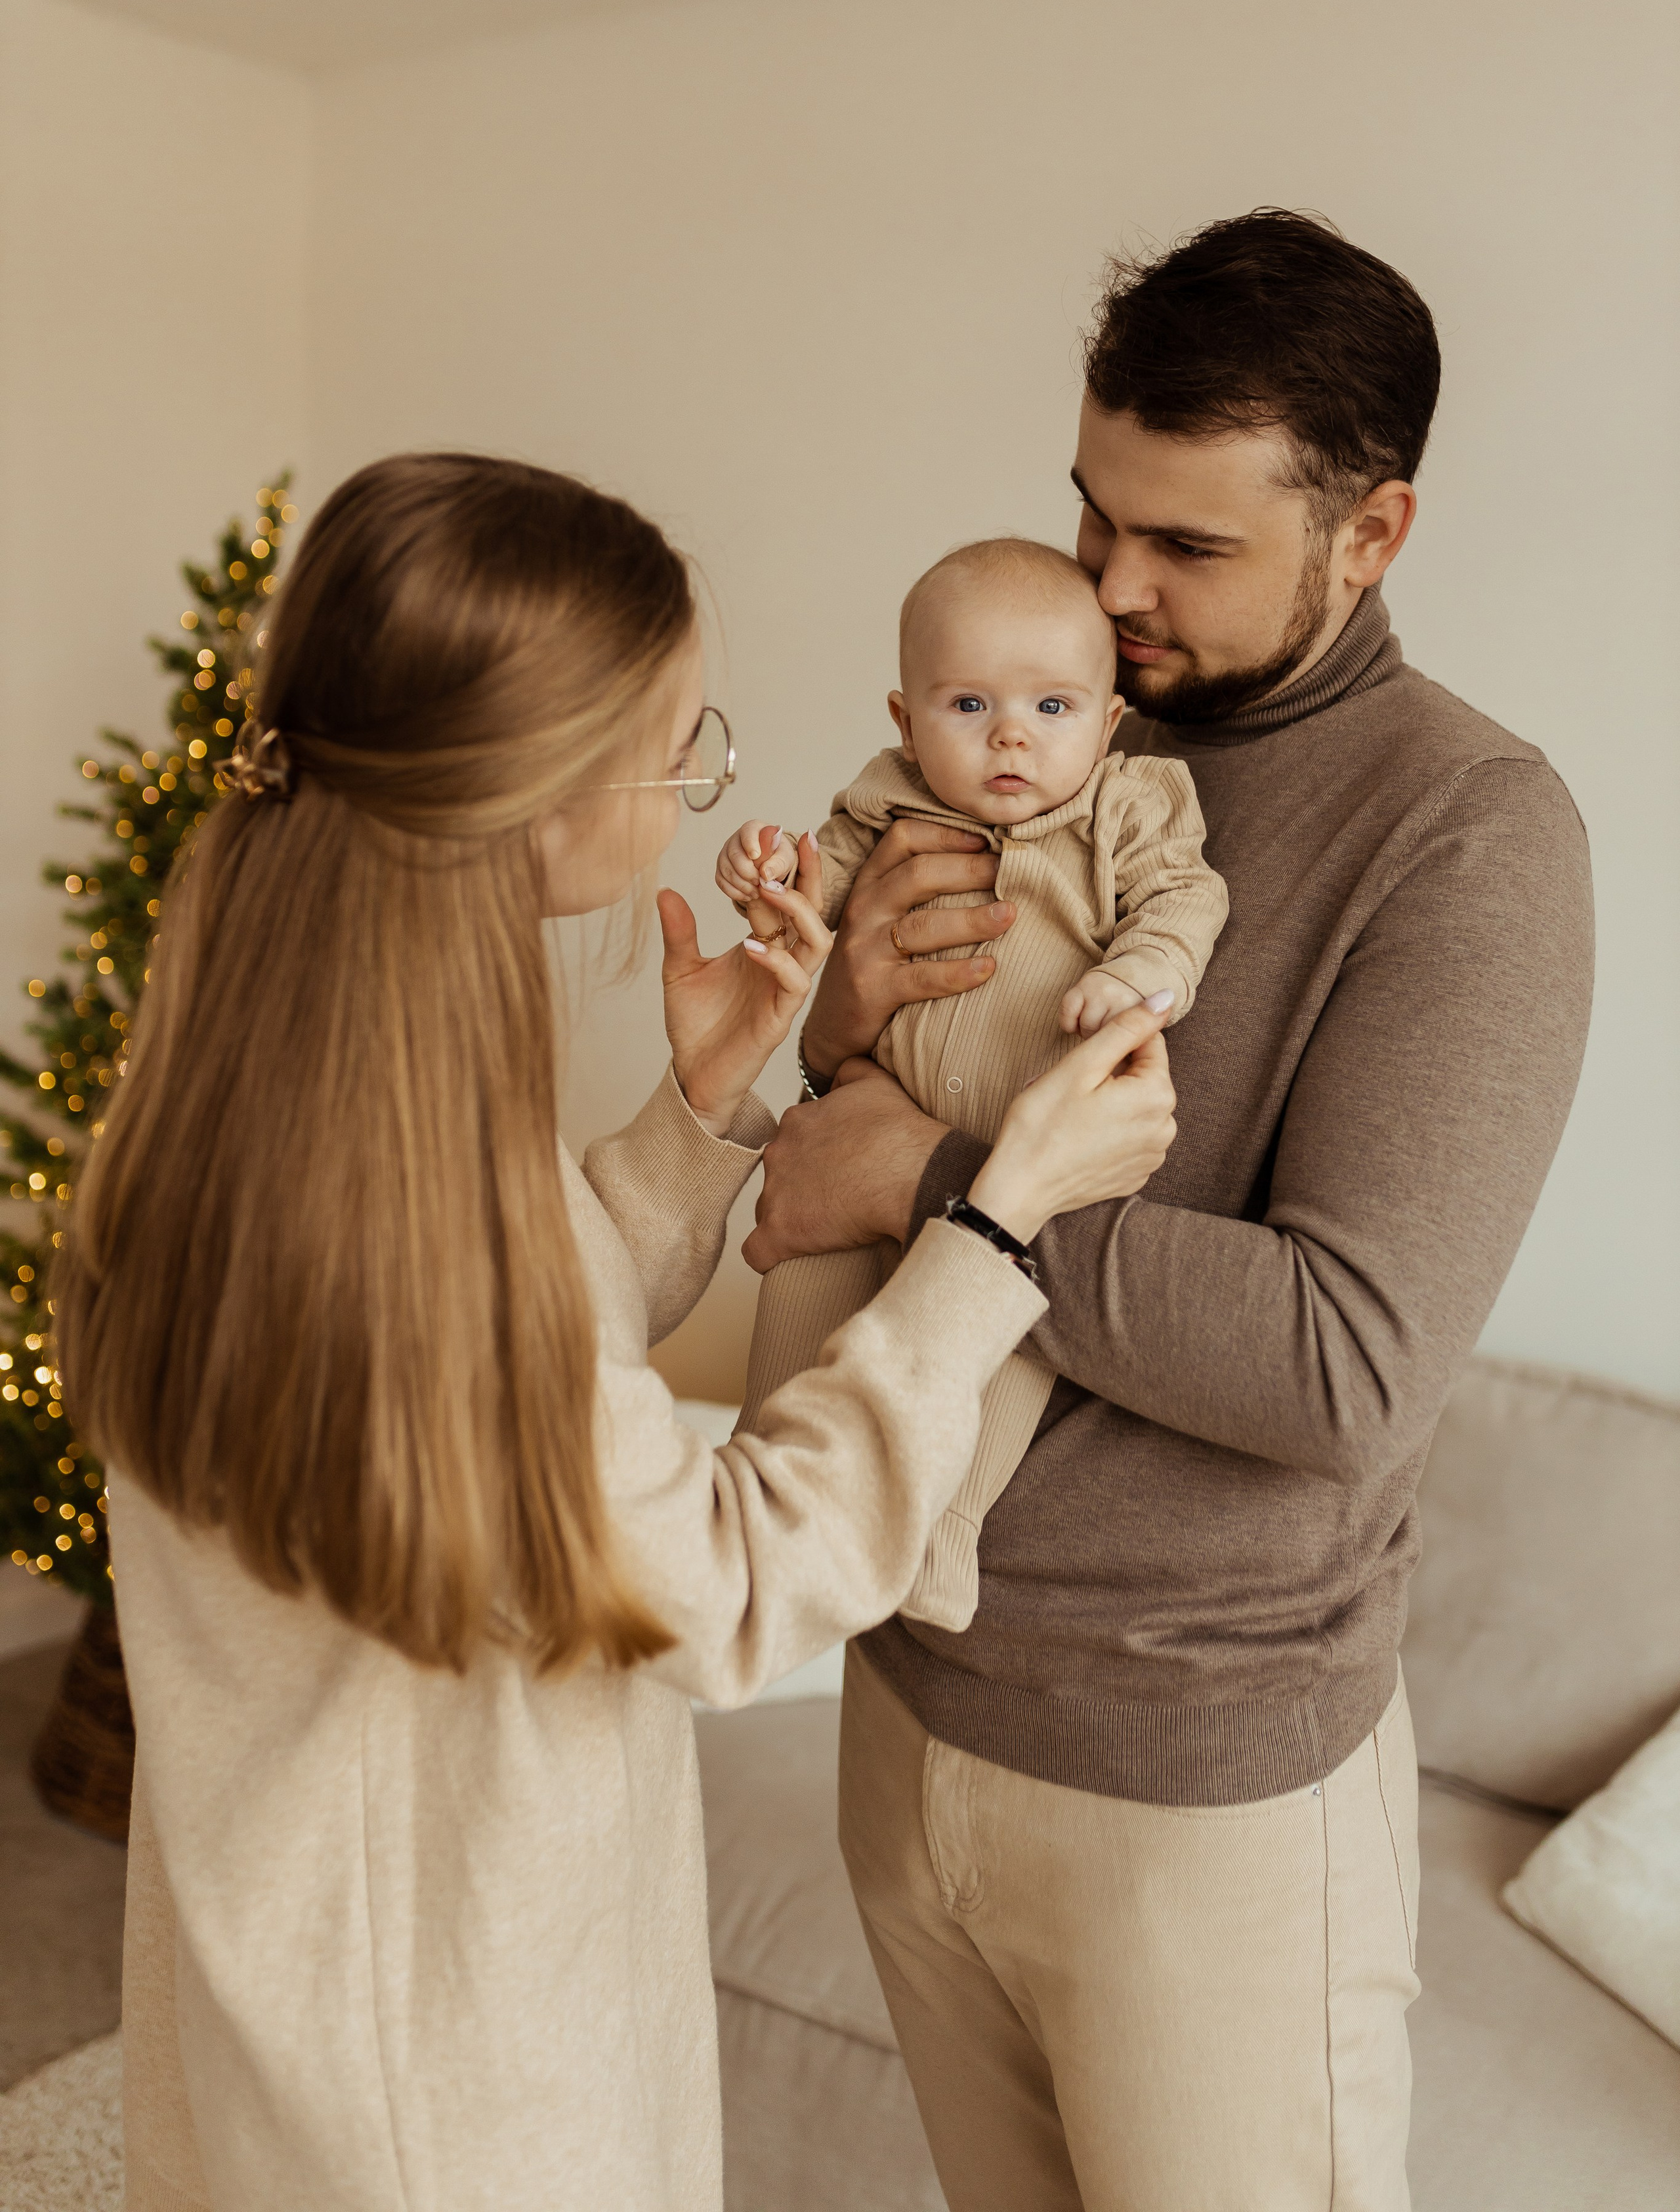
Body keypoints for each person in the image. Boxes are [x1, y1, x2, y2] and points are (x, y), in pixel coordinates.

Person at [54, 453, 1179, 2212]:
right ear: (556, 790)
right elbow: (723, 1585)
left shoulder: (273, 1090)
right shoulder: (401, 1216)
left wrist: (704, 1104)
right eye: (680, 743)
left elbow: (501, 1403)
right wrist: (992, 1218)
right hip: (454, 2079)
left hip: (302, 1999)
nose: (690, 780)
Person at [746, 213, 1595, 2211]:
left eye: (1190, 547)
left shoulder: (1467, 832)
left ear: (1373, 531)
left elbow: (1343, 1367)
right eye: (1093, 513)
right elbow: (841, 1155)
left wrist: (933, 1176)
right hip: (908, 1684)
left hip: (1199, 1786)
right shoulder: (1019, 743)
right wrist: (842, 1029)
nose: (1109, 590)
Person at [720, 534, 1225, 1629]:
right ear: (906, 721)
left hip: (1015, 1176)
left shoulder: (1124, 809)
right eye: (968, 706)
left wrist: (1144, 976)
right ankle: (757, 1492)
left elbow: (1186, 901)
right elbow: (820, 887)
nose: (1011, 735)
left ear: (1108, 719)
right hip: (866, 1125)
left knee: (998, 1347)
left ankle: (939, 1543)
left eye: (1053, 708)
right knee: (804, 1290)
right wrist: (772, 881)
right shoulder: (886, 801)